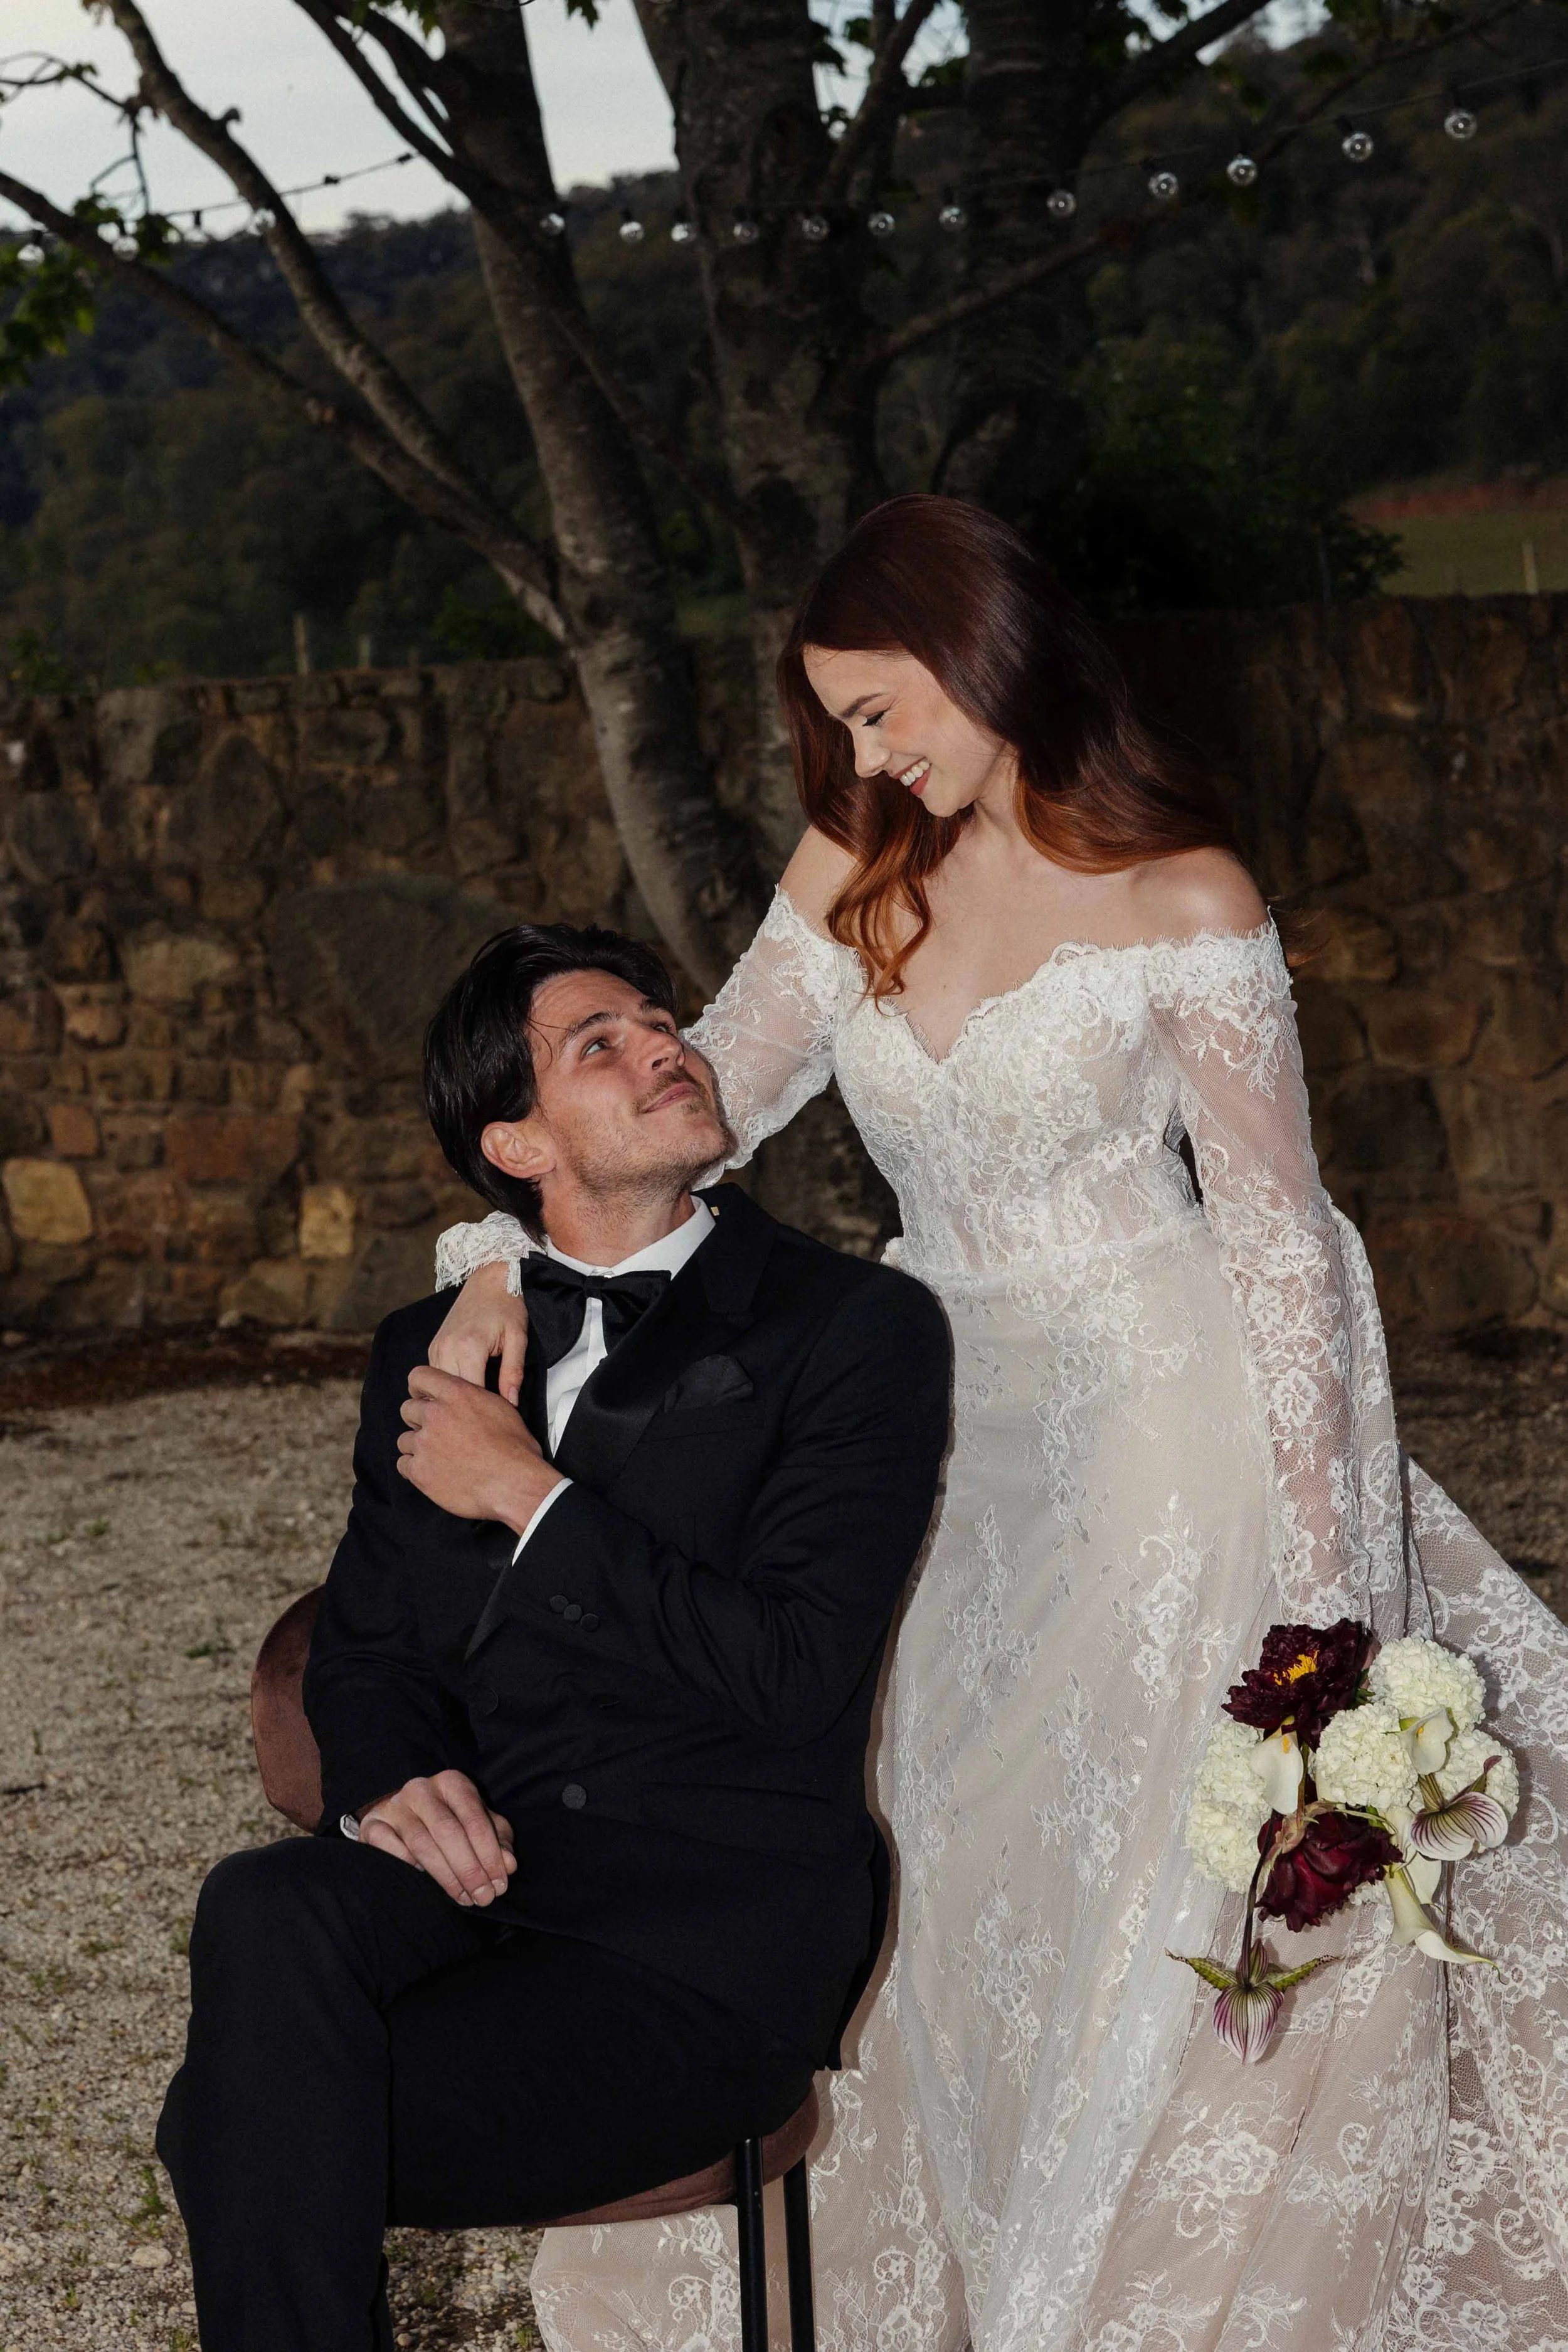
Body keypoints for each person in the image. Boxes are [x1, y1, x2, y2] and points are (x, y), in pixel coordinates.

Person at [430, 495, 1568, 2352]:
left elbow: (1283, 1244)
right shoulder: (857, 863)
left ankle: (1126, 2292)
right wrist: (504, 1239)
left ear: (985, 649)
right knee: (926, 1859)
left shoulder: (1182, 893)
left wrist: (1326, 1587)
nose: (869, 755)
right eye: (845, 727)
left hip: (1163, 1425)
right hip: (927, 1414)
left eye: (883, 711)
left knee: (1150, 1873)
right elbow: (707, 1084)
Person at [155, 920, 953, 2352]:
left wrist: (528, 1494)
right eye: (604, 1043)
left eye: (661, 1024)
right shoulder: (434, 1345)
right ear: (515, 1145)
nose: (668, 1047)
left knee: (248, 2124)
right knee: (263, 1910)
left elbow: (789, 1670)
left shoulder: (853, 1331)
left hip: (697, 1947)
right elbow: (370, 1646)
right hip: (486, 1891)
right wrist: (392, 1783)